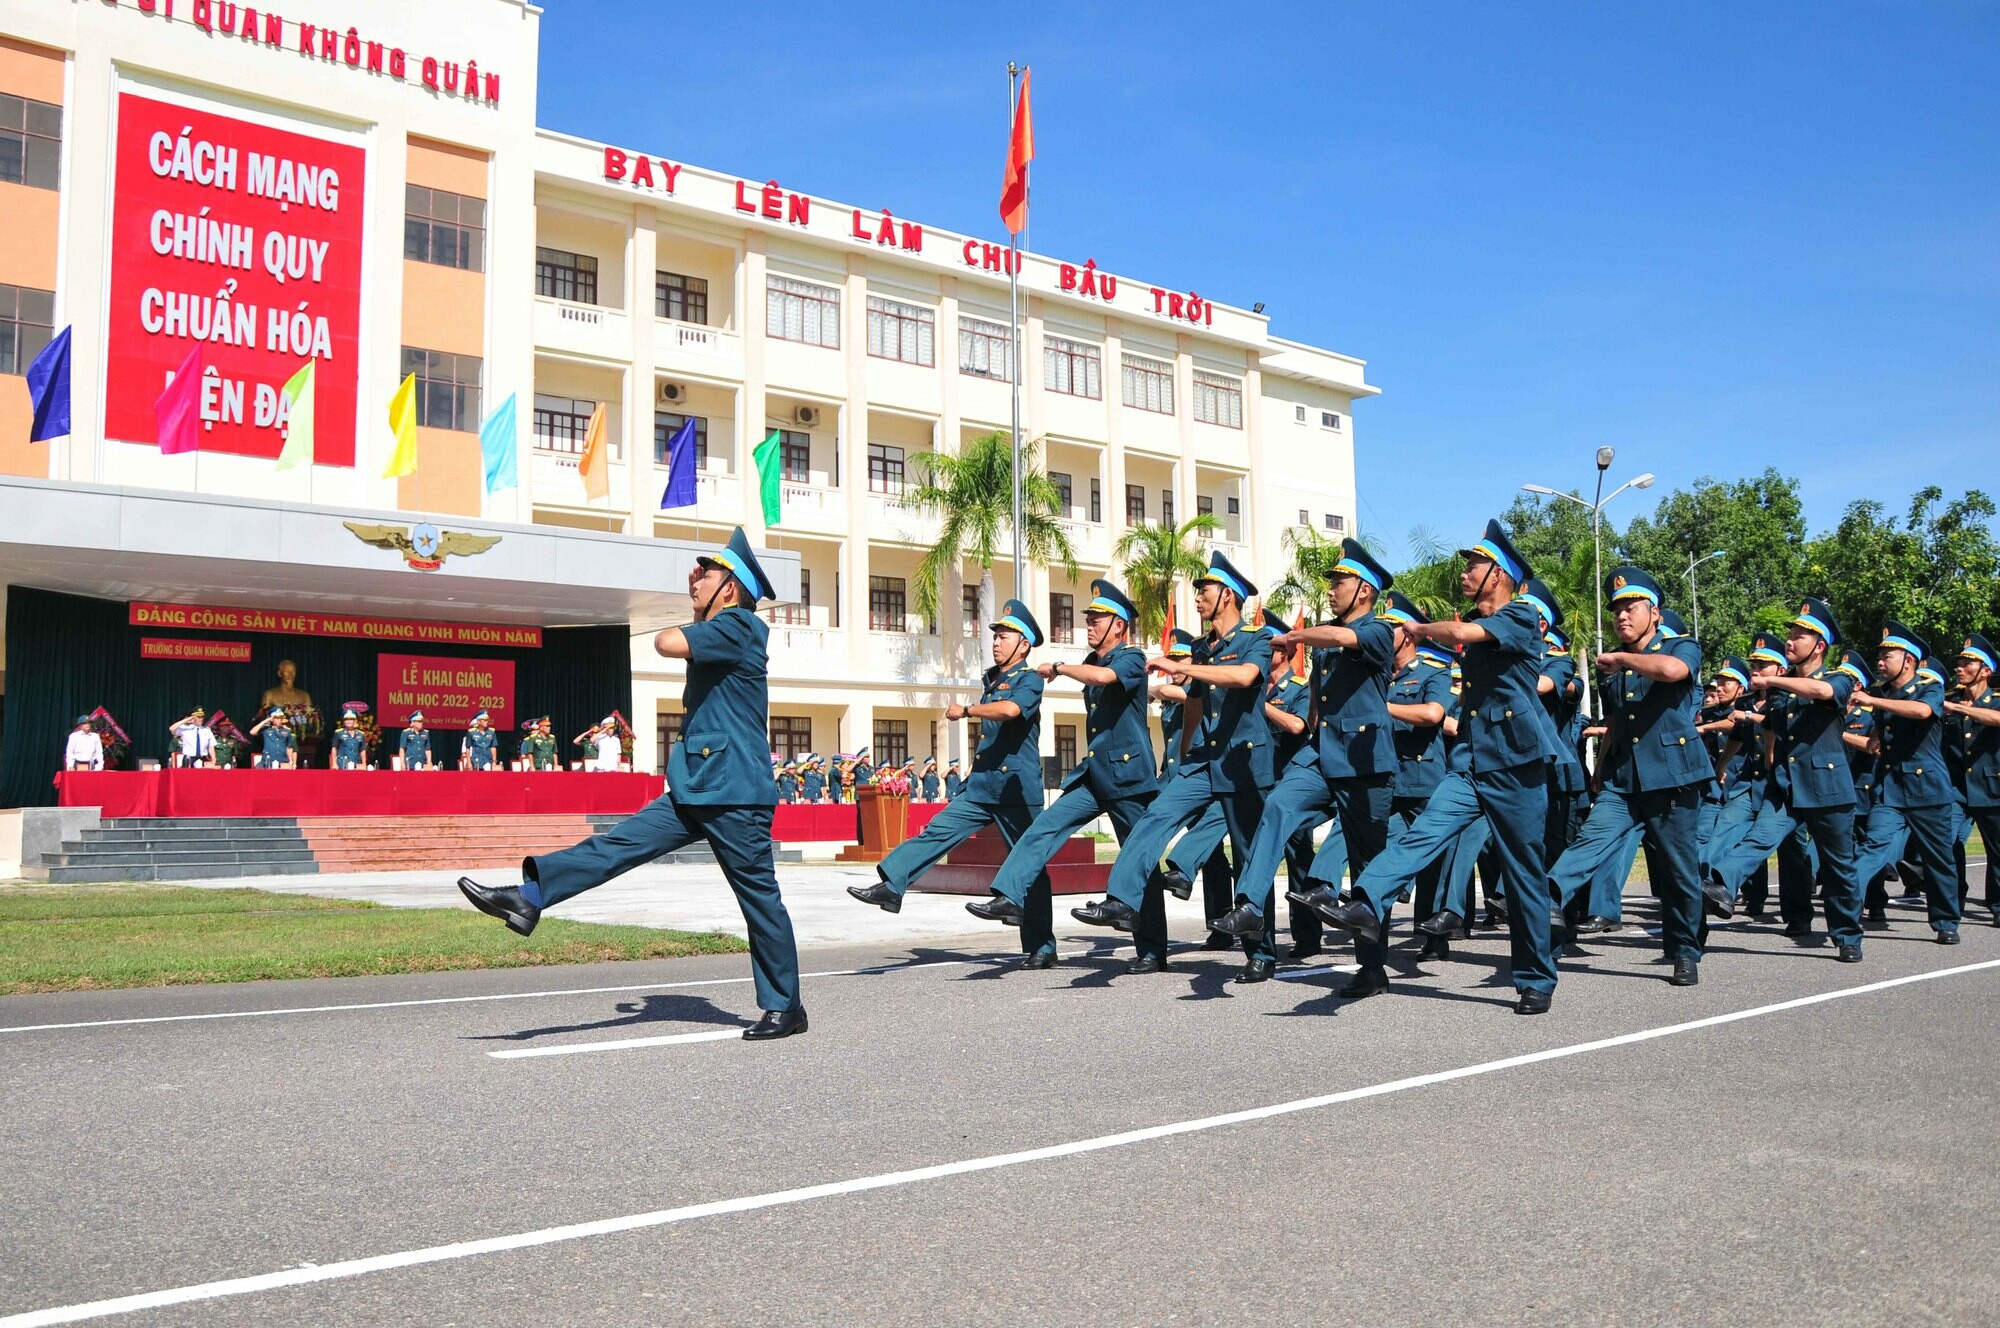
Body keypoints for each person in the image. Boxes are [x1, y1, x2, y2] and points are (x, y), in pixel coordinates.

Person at [459, 527, 806, 1040]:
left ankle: (785, 1007)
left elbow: (668, 643)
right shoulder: (723, 628)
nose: (695, 580)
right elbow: (692, 644)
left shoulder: (739, 627)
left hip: (734, 794)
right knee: (617, 845)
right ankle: (530, 896)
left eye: (706, 574)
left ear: (730, 589)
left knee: (758, 899)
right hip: (699, 787)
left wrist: (695, 617)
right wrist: (697, 607)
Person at [1314, 519, 1562, 1014]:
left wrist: (1416, 627)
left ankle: (1536, 977)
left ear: (1499, 574)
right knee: (1421, 835)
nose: (1466, 572)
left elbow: (1461, 632)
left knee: (1523, 873)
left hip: (1517, 762)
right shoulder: (1480, 621)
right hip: (1472, 761)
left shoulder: (1520, 614)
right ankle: (1365, 900)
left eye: (1475, 565)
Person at [1070, 551, 1274, 975]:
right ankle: (1122, 901)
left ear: (1229, 597)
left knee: (1248, 856)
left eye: (1205, 590)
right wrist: (1183, 756)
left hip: (1244, 762)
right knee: (1154, 819)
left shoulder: (1256, 639)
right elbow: (1196, 703)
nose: (1198, 597)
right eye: (1198, 590)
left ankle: (1261, 953)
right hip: (1203, 760)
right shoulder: (1202, 648)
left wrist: (1181, 665)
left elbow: (1242, 678)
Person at [1211, 539, 1400, 990]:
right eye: (1332, 581)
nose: (1332, 589)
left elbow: (1339, 637)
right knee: (1278, 807)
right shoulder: (1326, 641)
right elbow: (1319, 696)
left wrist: (1294, 636)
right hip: (1322, 752)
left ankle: (1372, 967)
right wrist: (1310, 722)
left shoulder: (1378, 630)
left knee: (1368, 864)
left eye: (1341, 582)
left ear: (1366, 591)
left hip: (1366, 760)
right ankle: (1252, 905)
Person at [964, 582, 1160, 966]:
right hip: (1093, 774)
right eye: (1088, 618)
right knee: (1044, 827)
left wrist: (1059, 668)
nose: (1089, 623)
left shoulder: (1131, 658)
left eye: (1097, 618)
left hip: (1130, 777)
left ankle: (1151, 948)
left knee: (1139, 859)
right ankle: (1010, 894)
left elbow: (1103, 681)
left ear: (1118, 626)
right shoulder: (1094, 660)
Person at [848, 602, 1054, 942]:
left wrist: (969, 710)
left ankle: (1041, 945)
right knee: (937, 831)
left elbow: (1012, 710)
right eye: (996, 636)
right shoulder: (995, 679)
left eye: (1005, 636)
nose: (997, 642)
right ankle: (892, 884)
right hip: (984, 786)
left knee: (1030, 863)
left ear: (1025, 645)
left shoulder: (1029, 680)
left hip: (1016, 788)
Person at [1543, 568, 1709, 985]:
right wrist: (1599, 772)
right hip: (1624, 778)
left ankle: (1685, 949)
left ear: (1653, 612)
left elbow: (1672, 672)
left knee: (1678, 869)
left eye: (1630, 608)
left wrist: (1622, 659)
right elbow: (1616, 720)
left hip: (1673, 777)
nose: (1621, 617)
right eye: (1616, 610)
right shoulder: (1612, 667)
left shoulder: (1679, 646)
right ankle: (1549, 898)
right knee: (1590, 840)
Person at [1702, 599, 1865, 960]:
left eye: (1798, 637)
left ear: (1819, 646)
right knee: (1759, 839)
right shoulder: (1780, 691)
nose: (1789, 642)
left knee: (1838, 866)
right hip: (1787, 785)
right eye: (1789, 636)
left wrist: (1775, 678)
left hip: (1827, 787)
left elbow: (1823, 694)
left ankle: (1847, 935)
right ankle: (1719, 886)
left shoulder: (1838, 678)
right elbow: (1773, 728)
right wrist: (1772, 757)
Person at [1849, 622, 1963, 944]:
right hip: (1891, 788)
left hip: (1928, 789)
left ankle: (1945, 921)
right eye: (1880, 655)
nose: (1880, 661)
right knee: (1873, 846)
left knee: (1938, 858)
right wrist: (1872, 738)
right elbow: (1881, 734)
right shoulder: (1882, 693)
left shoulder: (1930, 687)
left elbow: (1921, 711)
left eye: (1888, 655)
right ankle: (1845, 903)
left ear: (1908, 660)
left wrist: (1873, 702)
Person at [1148, 628, 1239, 953]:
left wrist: (1159, 688)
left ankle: (1221, 926)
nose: (1173, 665)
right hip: (1173, 778)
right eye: (1170, 659)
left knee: (1212, 858)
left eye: (1179, 659)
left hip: (1202, 779)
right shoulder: (1173, 691)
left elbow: (1187, 699)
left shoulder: (1193, 690)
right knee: (1205, 854)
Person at [1943, 633, 2000, 925]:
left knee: (1997, 850)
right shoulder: (1949, 700)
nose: (1960, 667)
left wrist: (1961, 709)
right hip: (1956, 787)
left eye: (1968, 663)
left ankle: (1997, 904)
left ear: (1985, 671)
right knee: (1947, 842)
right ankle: (1954, 898)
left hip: (1992, 785)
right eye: (1959, 662)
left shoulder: (1996, 700)